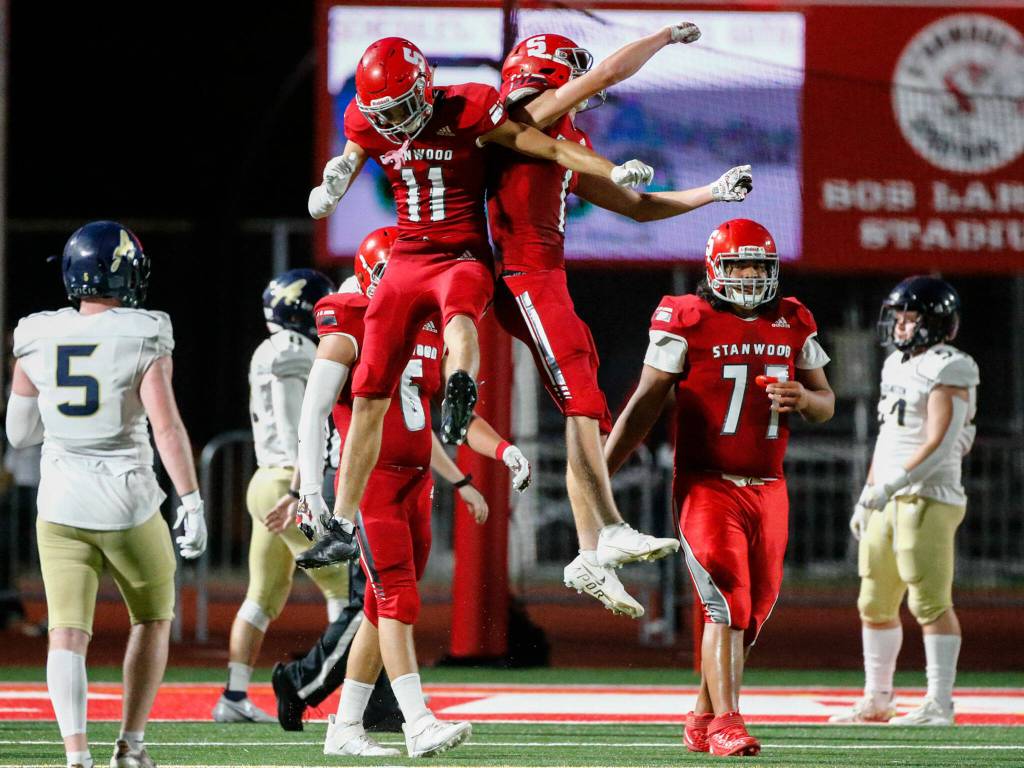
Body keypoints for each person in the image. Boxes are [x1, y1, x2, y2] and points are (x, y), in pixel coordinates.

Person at [302, 36, 650, 568]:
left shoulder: (469, 107)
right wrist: (337, 177)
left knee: (459, 319)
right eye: (384, 112)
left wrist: (608, 170)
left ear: (423, 86)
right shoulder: (367, 118)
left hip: (463, 252)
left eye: (401, 107)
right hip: (407, 255)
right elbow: (353, 151)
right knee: (371, 387)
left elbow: (549, 146)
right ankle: (343, 524)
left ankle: (461, 389)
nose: (394, 122)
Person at [489, 25, 755, 617]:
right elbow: (606, 74)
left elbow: (638, 210)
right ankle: (604, 531)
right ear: (554, 72)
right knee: (582, 397)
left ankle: (592, 553)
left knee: (588, 403)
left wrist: (710, 192)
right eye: (573, 78)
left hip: (545, 276)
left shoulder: (565, 135)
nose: (585, 93)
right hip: (522, 273)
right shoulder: (526, 112)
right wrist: (661, 37)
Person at [292, 227, 530, 757]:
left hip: (415, 483)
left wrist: (503, 451)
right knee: (398, 595)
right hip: (371, 483)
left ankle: (345, 727)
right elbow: (311, 414)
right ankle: (416, 721)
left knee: (383, 606)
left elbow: (450, 414)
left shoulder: (423, 322)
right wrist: (312, 491)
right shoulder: (348, 318)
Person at [603, 219, 834, 756]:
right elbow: (644, 402)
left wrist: (804, 398)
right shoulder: (686, 318)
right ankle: (729, 721)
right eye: (740, 266)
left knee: (752, 615)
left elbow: (827, 403)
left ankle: (703, 714)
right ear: (715, 269)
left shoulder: (792, 319)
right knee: (727, 602)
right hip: (708, 484)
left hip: (770, 486)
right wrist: (602, 469)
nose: (751, 276)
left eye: (760, 266)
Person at [5, 221, 207, 768]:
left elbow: (19, 433)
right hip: (129, 501)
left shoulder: (35, 333)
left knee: (66, 634)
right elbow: (166, 428)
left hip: (61, 504)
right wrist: (191, 500)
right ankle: (130, 745)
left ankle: (76, 754)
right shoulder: (145, 330)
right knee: (152, 619)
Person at [830, 276, 977, 727]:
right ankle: (877, 698)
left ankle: (939, 702)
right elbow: (887, 438)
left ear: (935, 324)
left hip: (927, 496)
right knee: (873, 601)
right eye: (898, 317)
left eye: (910, 319)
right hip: (887, 495)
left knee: (930, 601)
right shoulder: (895, 364)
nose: (899, 327)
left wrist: (889, 486)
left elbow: (942, 440)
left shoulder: (951, 366)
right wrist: (868, 494)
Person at [212, 268, 347, 723]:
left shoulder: (273, 347)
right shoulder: (293, 349)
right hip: (287, 481)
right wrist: (299, 490)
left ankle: (233, 695)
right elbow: (297, 425)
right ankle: (339, 694)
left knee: (263, 595)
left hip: (266, 478)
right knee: (346, 589)